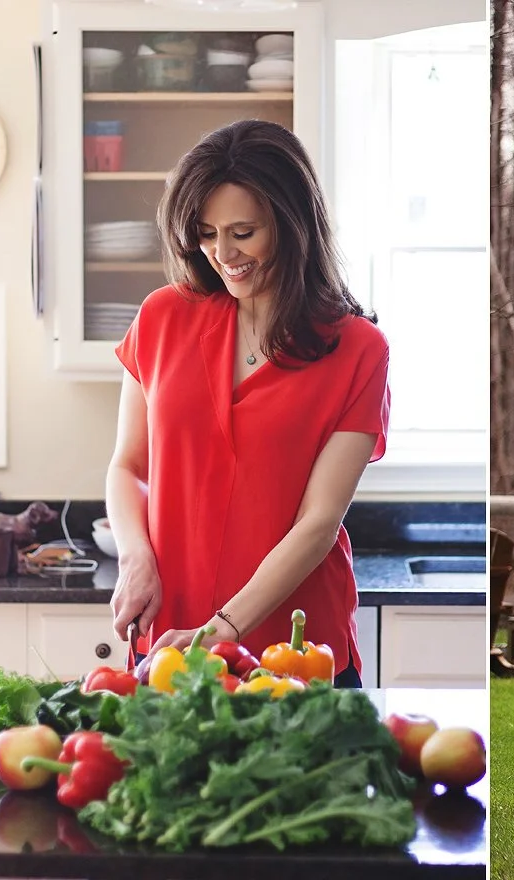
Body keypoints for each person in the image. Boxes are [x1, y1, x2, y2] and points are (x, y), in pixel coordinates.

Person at [105, 120, 389, 689]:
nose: (222, 254)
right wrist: (135, 555)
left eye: (243, 232)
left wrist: (221, 630)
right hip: (172, 643)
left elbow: (318, 522)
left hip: (295, 650)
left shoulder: (358, 350)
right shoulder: (162, 318)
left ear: (292, 225)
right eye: (206, 233)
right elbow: (129, 467)